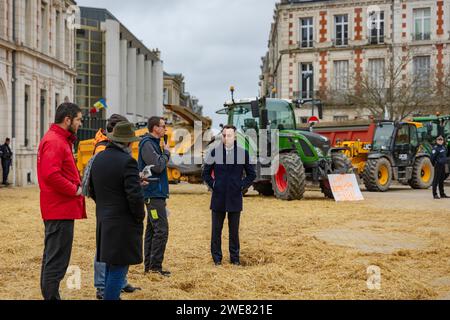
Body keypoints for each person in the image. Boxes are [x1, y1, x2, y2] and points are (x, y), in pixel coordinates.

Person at [89, 121, 146, 300]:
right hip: (123, 223)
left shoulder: (98, 158)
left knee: (109, 266)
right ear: (128, 142)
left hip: (104, 220)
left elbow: (92, 190)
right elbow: (134, 196)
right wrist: (140, 216)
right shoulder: (128, 161)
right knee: (118, 269)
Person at [37, 103, 86, 300]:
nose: (80, 124)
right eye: (79, 120)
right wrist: (75, 190)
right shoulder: (56, 141)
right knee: (56, 261)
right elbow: (51, 175)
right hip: (60, 208)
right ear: (68, 120)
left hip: (59, 208)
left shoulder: (57, 139)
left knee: (53, 258)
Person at [202, 125, 256, 266]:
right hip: (218, 197)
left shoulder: (243, 153)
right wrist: (213, 184)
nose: (226, 138)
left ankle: (235, 259)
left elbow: (252, 174)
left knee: (234, 231)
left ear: (235, 136)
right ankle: (217, 260)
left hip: (234, 197)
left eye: (229, 135)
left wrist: (241, 186)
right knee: (216, 231)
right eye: (224, 135)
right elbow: (205, 173)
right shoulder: (214, 152)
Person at [138, 116, 171, 277]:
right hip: (152, 195)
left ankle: (150, 267)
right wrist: (166, 154)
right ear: (155, 128)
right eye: (163, 126)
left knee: (152, 229)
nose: (165, 129)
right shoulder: (147, 144)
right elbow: (158, 166)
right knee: (161, 230)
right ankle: (155, 267)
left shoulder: (154, 144)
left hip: (157, 194)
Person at [431, 135, 449, 200]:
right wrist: (434, 164)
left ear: (443, 141)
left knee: (441, 180)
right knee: (436, 180)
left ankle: (442, 194)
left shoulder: (444, 148)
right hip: (438, 166)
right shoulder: (435, 148)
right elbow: (432, 158)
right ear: (437, 141)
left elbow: (445, 156)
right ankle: (435, 194)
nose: (440, 141)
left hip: (443, 166)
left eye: (441, 140)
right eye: (439, 140)